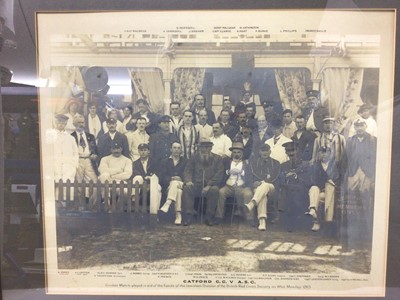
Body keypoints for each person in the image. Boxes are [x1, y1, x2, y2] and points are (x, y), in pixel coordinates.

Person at [343, 118, 377, 248]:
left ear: (366, 126)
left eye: (361, 125)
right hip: (353, 173)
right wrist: (348, 174)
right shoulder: (350, 141)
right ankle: (352, 234)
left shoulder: (373, 140)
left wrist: (373, 176)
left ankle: (366, 235)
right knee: (352, 203)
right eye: (357, 126)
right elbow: (345, 158)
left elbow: (376, 159)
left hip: (367, 174)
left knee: (365, 202)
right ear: (354, 128)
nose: (359, 128)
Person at [182, 138, 224, 226]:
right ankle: (189, 216)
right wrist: (188, 180)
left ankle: (209, 217)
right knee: (187, 188)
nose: (205, 150)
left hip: (210, 187)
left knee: (215, 190)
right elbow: (187, 170)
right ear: (199, 148)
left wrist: (209, 185)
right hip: (196, 185)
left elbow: (219, 174)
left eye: (207, 147)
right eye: (202, 147)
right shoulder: (194, 158)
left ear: (211, 148)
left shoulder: (217, 159)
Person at [214, 142, 253, 224]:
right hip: (229, 186)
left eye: (239, 152)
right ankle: (219, 217)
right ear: (232, 153)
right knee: (221, 192)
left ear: (242, 153)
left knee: (248, 194)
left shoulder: (246, 163)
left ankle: (249, 218)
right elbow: (221, 172)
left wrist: (241, 172)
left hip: (242, 186)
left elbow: (250, 176)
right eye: (234, 152)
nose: (236, 154)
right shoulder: (226, 162)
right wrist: (228, 172)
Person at [305, 146, 341, 232]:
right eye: (321, 152)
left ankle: (320, 220)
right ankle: (313, 210)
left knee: (329, 186)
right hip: (320, 192)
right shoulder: (315, 165)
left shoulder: (335, 165)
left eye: (326, 152)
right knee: (314, 188)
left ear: (330, 154)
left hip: (332, 193)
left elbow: (338, 179)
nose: (324, 155)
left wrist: (328, 181)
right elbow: (312, 180)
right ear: (318, 154)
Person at [279, 141, 312, 232]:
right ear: (286, 152)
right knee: (289, 193)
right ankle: (291, 222)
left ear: (297, 150)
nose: (291, 153)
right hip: (288, 190)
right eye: (288, 151)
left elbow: (308, 180)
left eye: (293, 150)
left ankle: (295, 222)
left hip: (302, 190)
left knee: (294, 193)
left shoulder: (305, 165)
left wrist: (296, 177)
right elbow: (281, 180)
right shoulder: (283, 165)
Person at [245, 144, 280, 231]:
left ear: (270, 152)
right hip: (258, 189)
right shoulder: (253, 163)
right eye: (262, 150)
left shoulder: (276, 163)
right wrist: (253, 183)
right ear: (259, 152)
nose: (264, 152)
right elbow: (249, 176)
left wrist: (261, 182)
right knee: (263, 196)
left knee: (265, 185)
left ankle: (252, 203)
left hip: (271, 187)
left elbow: (275, 177)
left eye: (266, 150)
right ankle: (262, 221)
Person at [71, 115, 99, 208]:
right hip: (77, 160)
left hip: (88, 160)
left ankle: (92, 205)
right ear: (74, 124)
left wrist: (95, 155)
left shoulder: (90, 136)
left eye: (82, 122)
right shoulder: (71, 136)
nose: (81, 124)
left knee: (94, 182)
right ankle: (80, 206)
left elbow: (95, 150)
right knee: (78, 183)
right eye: (78, 122)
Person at [158, 142, 187, 225]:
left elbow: (187, 174)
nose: (176, 150)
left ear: (181, 150)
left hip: (182, 184)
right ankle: (178, 214)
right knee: (178, 191)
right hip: (169, 186)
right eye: (174, 148)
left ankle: (167, 203)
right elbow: (162, 176)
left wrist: (181, 178)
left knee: (177, 185)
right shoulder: (165, 161)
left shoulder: (185, 161)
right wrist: (171, 178)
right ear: (171, 149)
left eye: (178, 148)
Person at [98, 142, 133, 208]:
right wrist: (118, 170)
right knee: (104, 175)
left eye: (118, 148)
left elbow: (127, 175)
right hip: (107, 183)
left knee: (125, 192)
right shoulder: (104, 159)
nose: (116, 151)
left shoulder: (127, 160)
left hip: (120, 182)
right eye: (114, 149)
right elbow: (103, 171)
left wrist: (111, 176)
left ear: (121, 149)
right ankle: (106, 200)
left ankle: (117, 209)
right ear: (111, 149)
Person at [51, 114, 79, 183]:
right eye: (59, 122)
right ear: (56, 123)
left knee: (68, 186)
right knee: (56, 185)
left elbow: (75, 152)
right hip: (55, 164)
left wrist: (74, 165)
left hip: (68, 166)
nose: (61, 125)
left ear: (66, 124)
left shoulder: (71, 138)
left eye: (63, 123)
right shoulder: (51, 136)